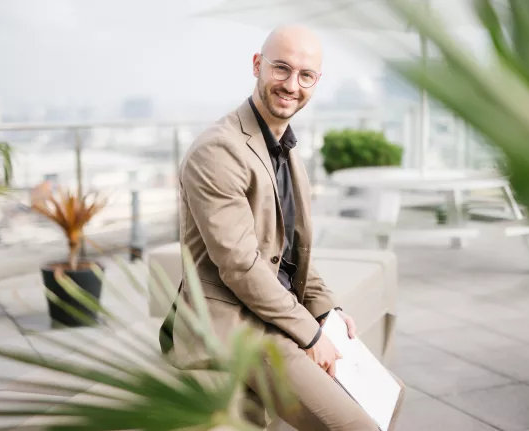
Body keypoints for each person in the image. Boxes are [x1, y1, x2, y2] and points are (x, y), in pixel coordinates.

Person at [160, 24, 404, 430]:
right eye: (281, 69)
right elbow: (240, 267)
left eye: (305, 75)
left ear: (316, 82)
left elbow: (292, 256)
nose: (292, 84)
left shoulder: (287, 152)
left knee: (388, 400)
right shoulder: (218, 150)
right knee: (358, 425)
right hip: (239, 323)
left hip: (278, 313)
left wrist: (329, 307)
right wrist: (311, 335)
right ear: (258, 65)